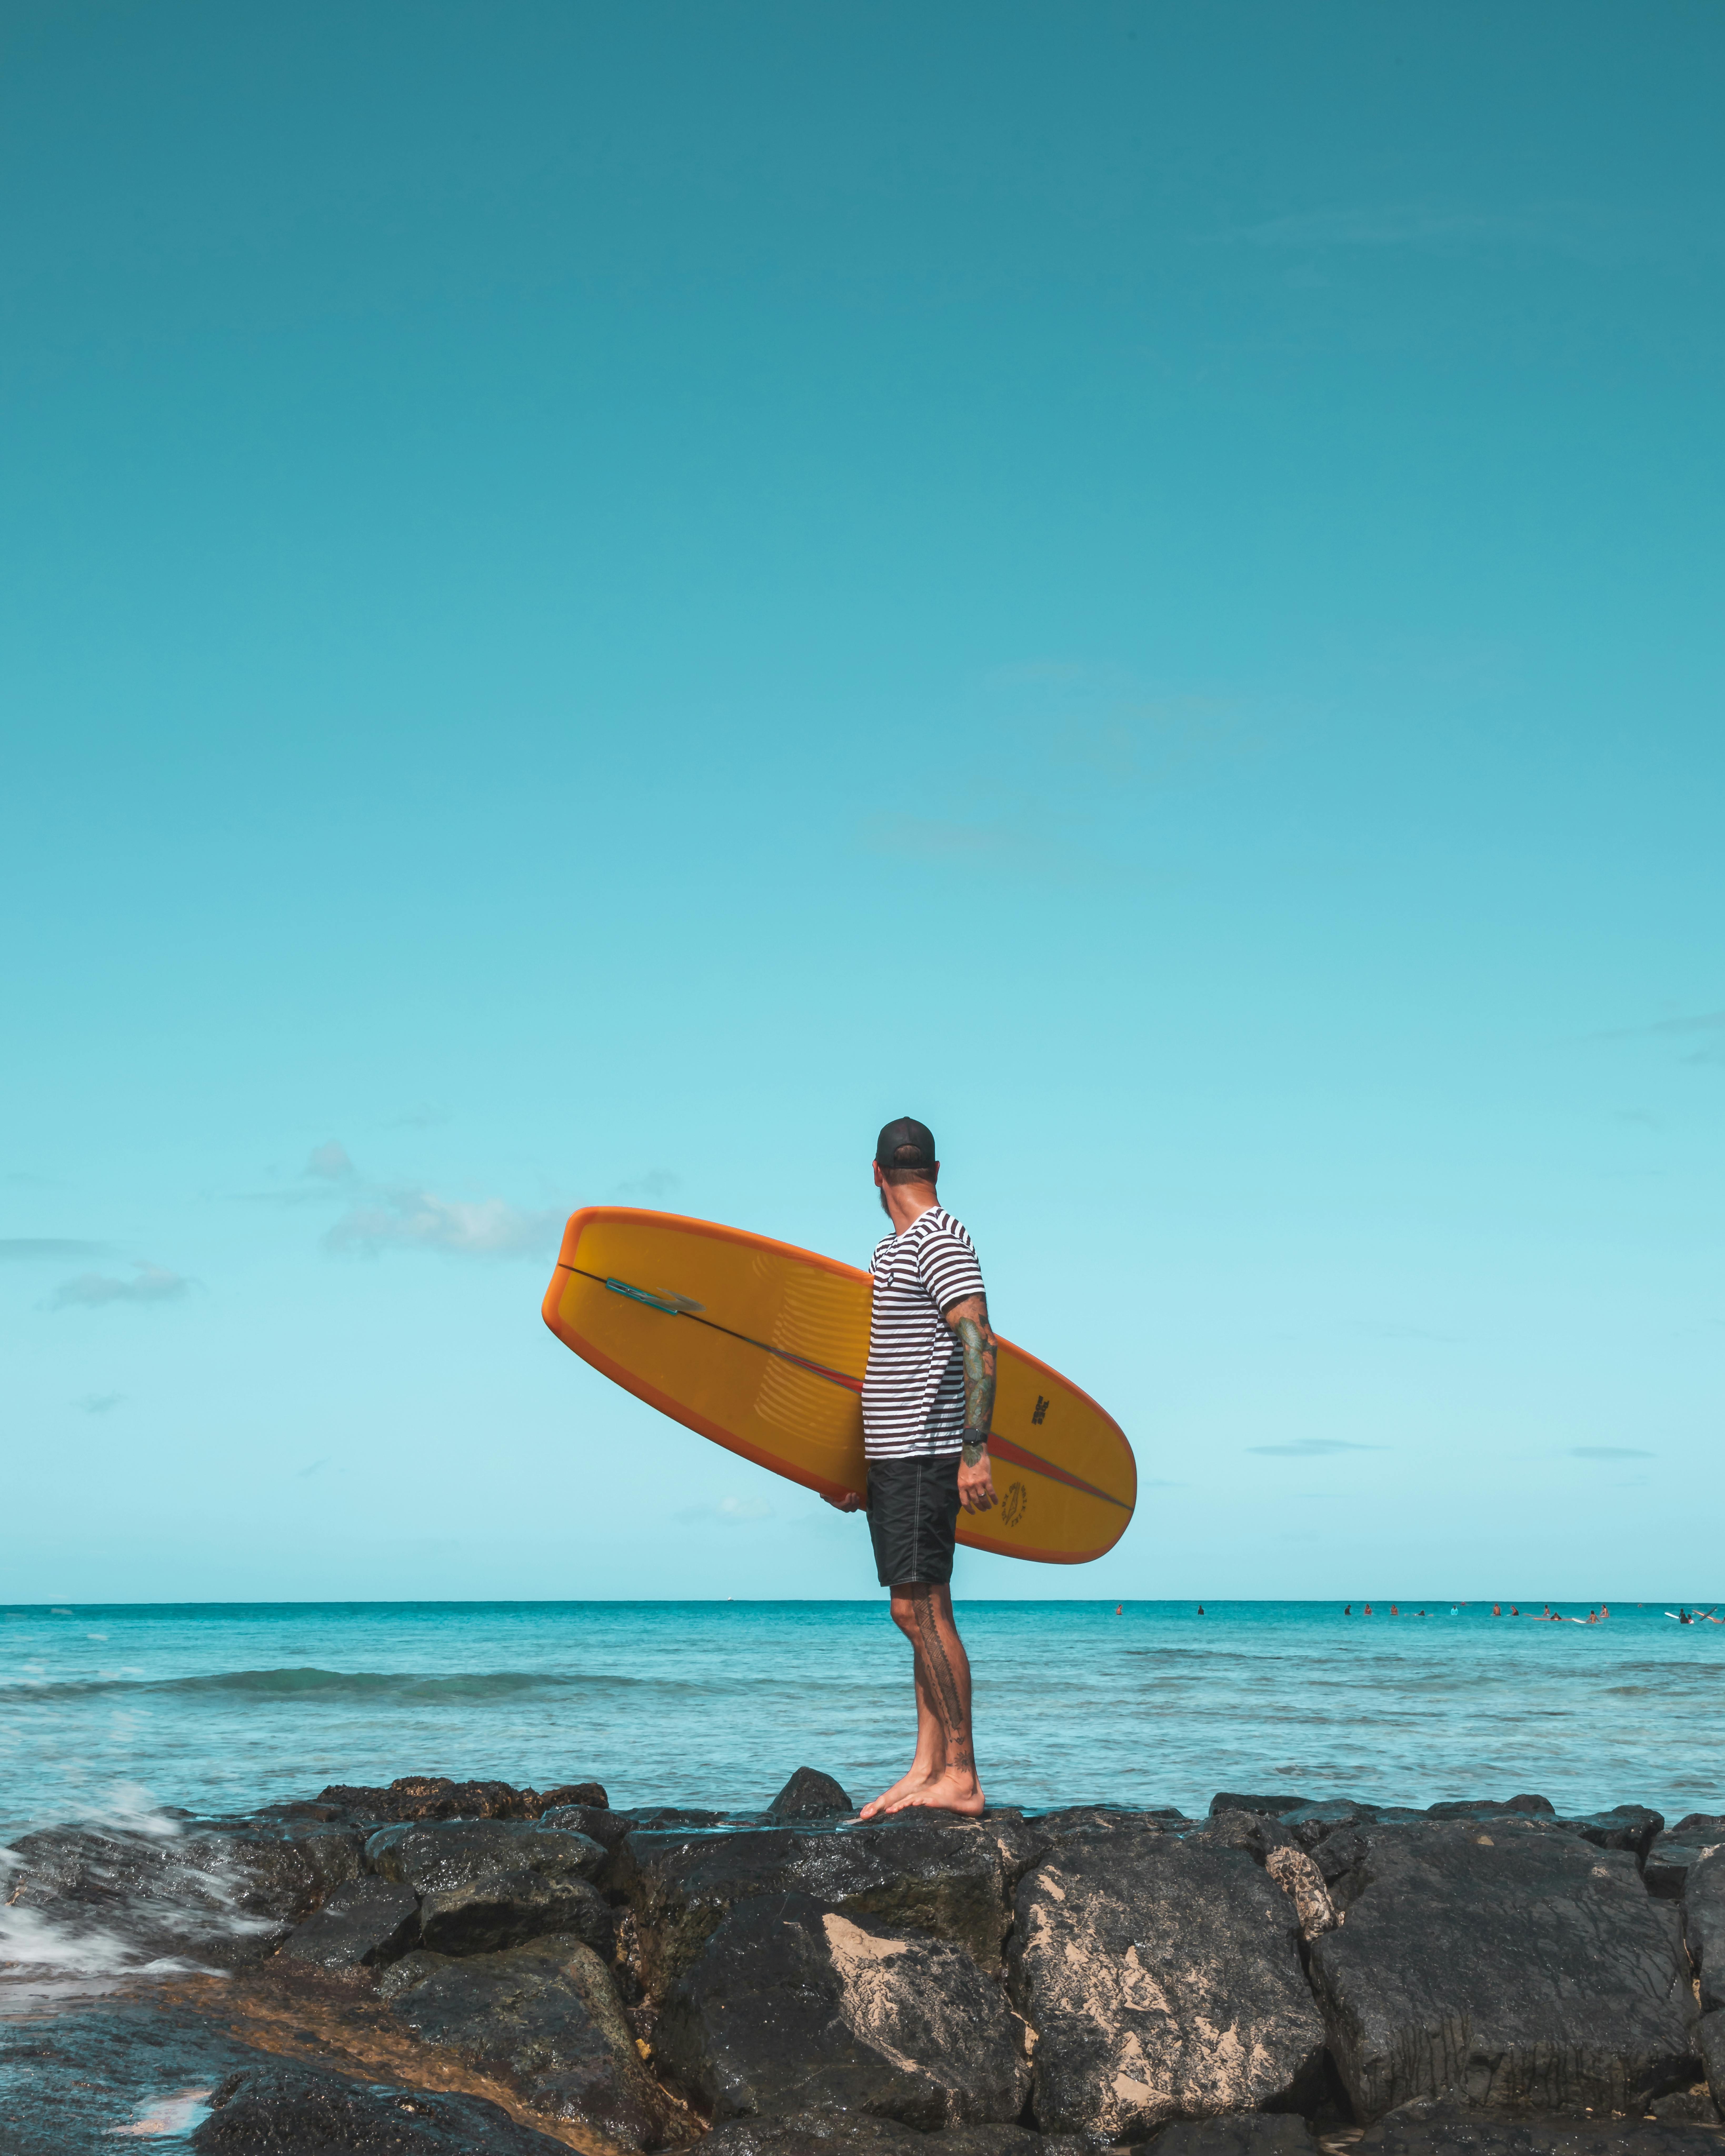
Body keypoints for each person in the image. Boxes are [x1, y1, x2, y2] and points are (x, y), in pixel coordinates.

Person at [824, 1116, 997, 1818]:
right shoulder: (890, 1252)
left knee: (916, 1611)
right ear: (934, 1168)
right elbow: (886, 1367)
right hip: (894, 1458)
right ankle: (927, 1767)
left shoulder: (941, 1238)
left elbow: (978, 1343)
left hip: (927, 1453)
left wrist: (974, 1449)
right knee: (926, 1611)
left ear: (874, 1173)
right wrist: (846, 1470)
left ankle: (961, 1775)